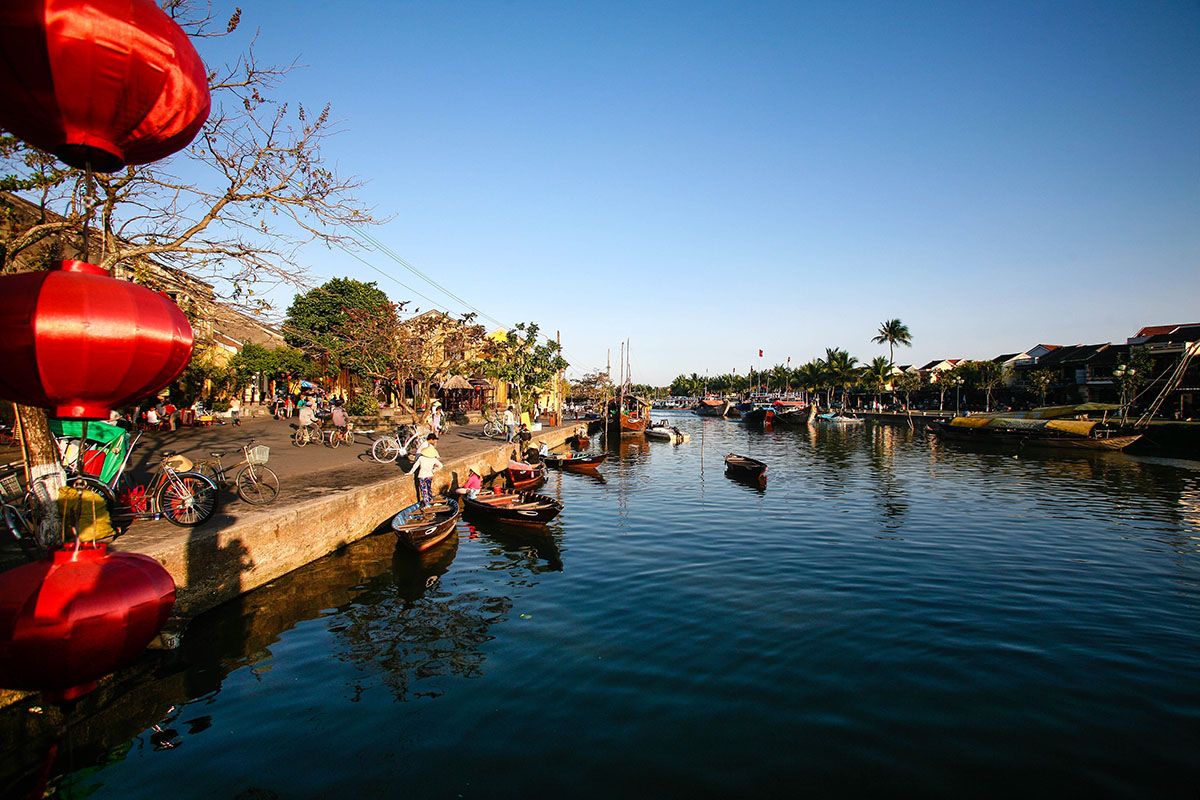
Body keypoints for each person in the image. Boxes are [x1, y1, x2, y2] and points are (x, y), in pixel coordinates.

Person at [406, 433, 443, 507]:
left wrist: (410, 473)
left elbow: (415, 466)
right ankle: (430, 499)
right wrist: (433, 470)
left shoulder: (421, 458)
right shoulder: (433, 458)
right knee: (428, 489)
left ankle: (427, 504)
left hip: (422, 476)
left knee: (424, 490)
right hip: (429, 475)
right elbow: (441, 465)